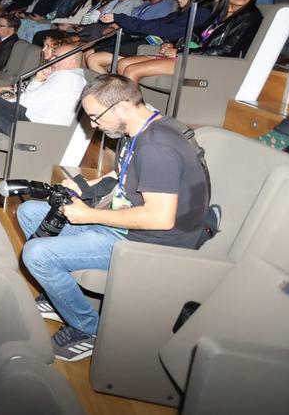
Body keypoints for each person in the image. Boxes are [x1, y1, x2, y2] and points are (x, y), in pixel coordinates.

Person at [21, 74, 209, 361]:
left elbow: (160, 217)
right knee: (30, 212)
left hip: (152, 243)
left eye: (96, 117)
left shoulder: (157, 147)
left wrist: (90, 215)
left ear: (121, 106)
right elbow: (123, 174)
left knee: (37, 254)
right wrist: (84, 186)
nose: (93, 125)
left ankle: (90, 329)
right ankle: (60, 296)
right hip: (126, 225)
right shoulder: (140, 129)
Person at [0, 32, 86, 185]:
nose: (52, 60)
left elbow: (27, 102)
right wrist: (36, 81)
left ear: (70, 61)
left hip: (33, 127)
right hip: (31, 122)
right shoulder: (74, 78)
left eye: (56, 57)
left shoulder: (65, 77)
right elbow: (33, 99)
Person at [114, 0, 262, 83]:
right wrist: (172, 45)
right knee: (123, 64)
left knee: (132, 70)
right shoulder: (217, 14)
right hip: (190, 56)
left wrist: (182, 53)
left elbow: (227, 50)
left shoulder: (250, 18)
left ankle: (139, 117)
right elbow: (194, 36)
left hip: (205, 62)